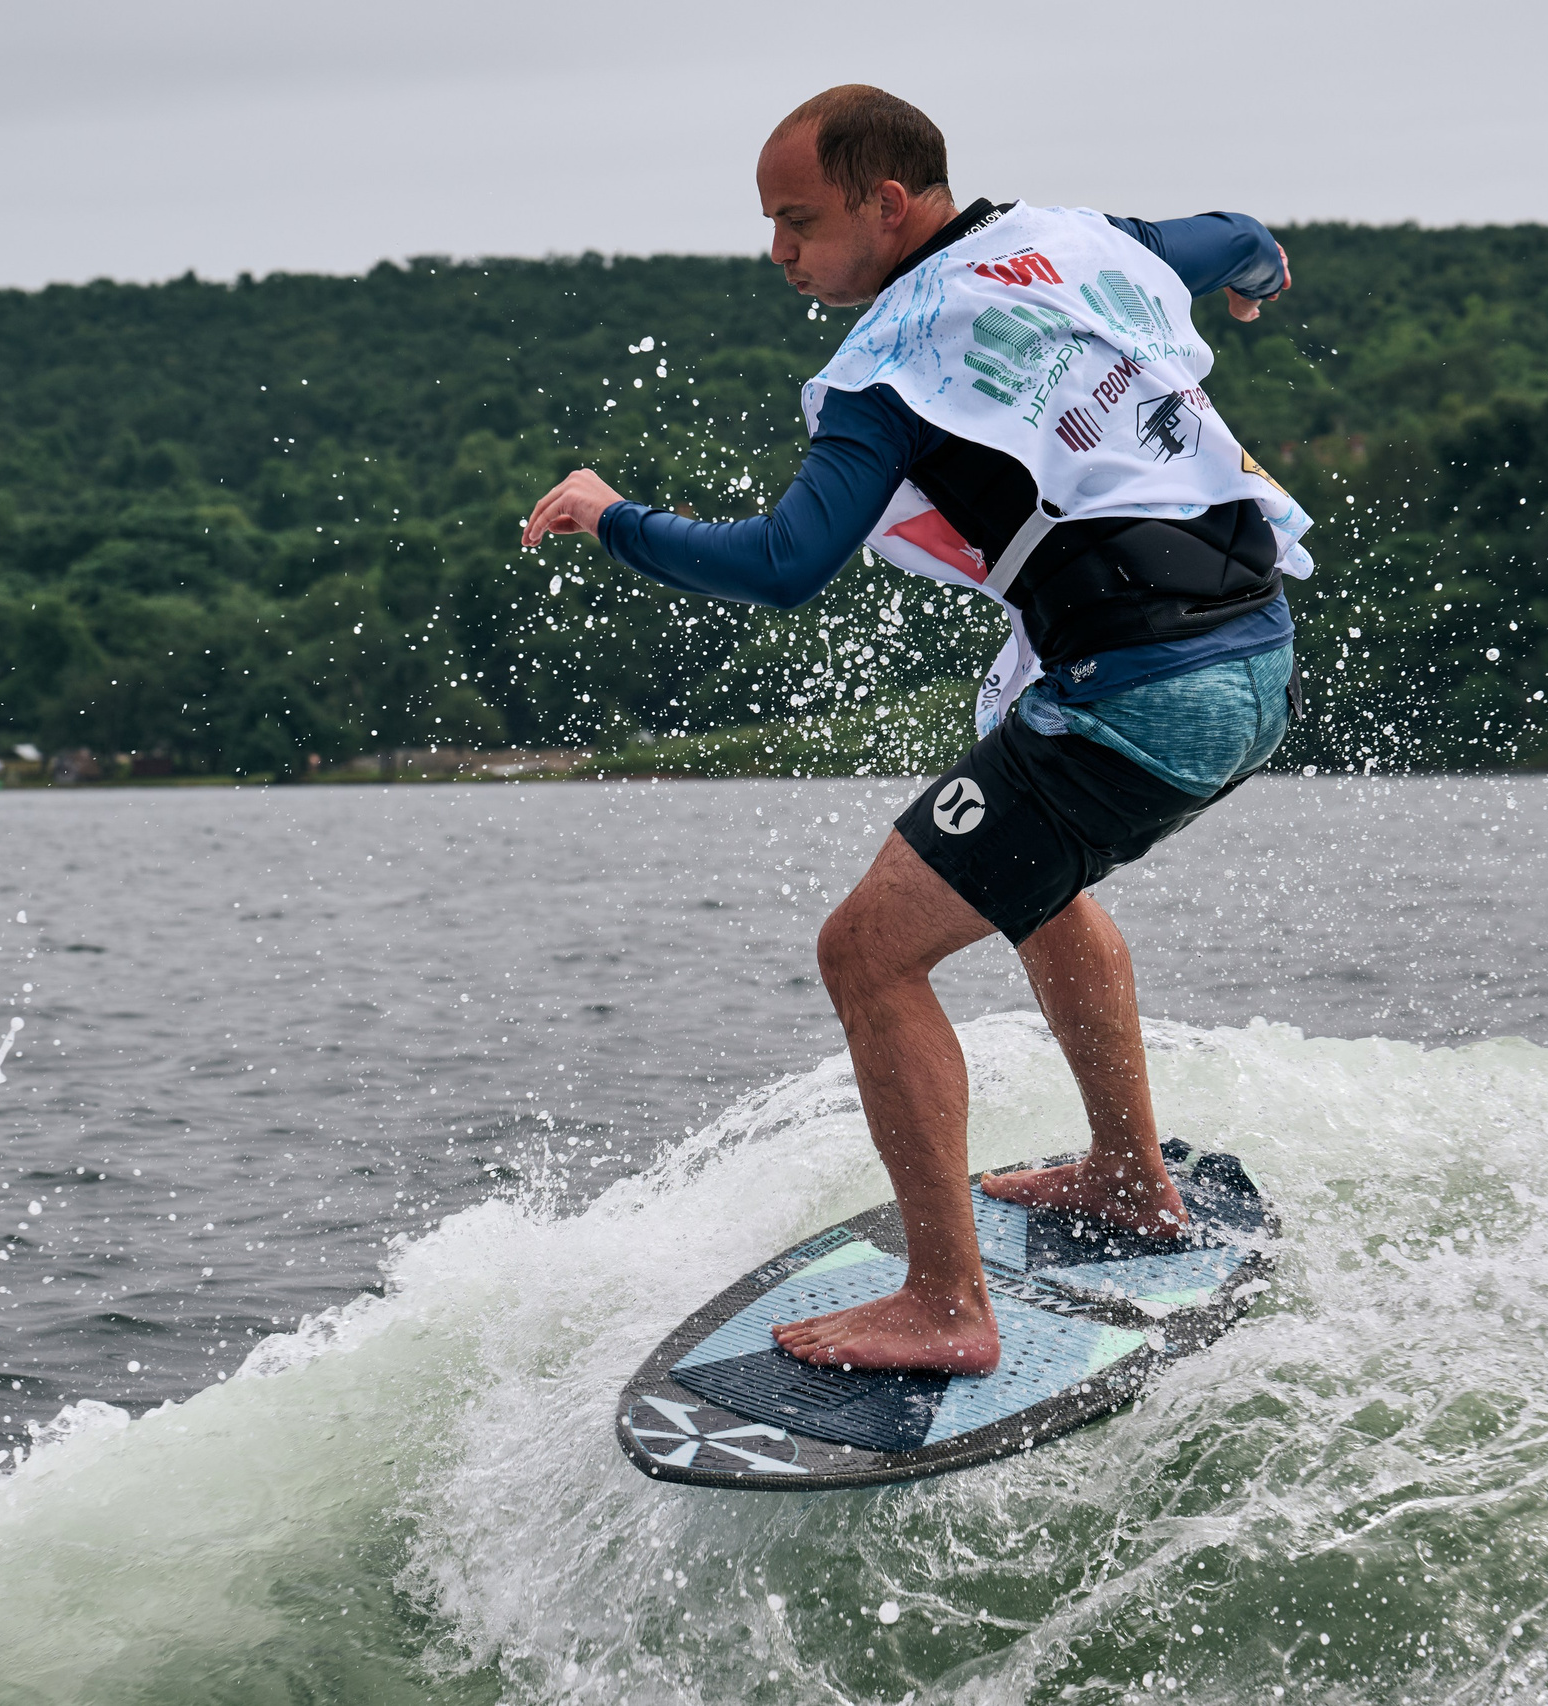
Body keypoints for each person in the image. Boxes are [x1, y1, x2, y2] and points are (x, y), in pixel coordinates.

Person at [522, 85, 1313, 1377]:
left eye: (797, 219)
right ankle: (1128, 1175)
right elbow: (1228, 234)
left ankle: (947, 1305)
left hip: (1139, 689)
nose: (778, 251)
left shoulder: (889, 364)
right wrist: (1261, 272)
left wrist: (614, 514)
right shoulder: (1079, 241)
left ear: (888, 203)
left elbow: (784, 563)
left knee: (866, 952)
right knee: (1032, 884)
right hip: (1256, 657)